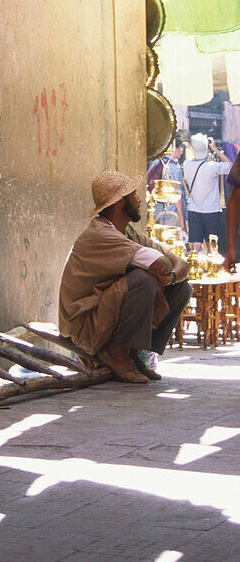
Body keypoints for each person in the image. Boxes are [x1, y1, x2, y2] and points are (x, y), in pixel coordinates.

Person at [59, 171, 191, 385]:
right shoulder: (102, 235)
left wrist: (171, 277)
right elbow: (161, 263)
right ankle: (117, 355)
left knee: (181, 288)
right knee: (143, 279)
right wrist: (163, 271)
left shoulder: (127, 232)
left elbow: (181, 263)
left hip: (105, 312)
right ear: (121, 202)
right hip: (85, 323)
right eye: (134, 195)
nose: (140, 200)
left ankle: (133, 354)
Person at [183, 134, 231, 253]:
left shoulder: (186, 165)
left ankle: (194, 269)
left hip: (194, 210)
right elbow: (231, 166)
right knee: (212, 247)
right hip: (212, 211)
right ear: (207, 149)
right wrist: (215, 149)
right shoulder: (212, 167)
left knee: (195, 246)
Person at [147, 135, 187, 230]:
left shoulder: (155, 163)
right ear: (175, 148)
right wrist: (181, 217)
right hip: (170, 213)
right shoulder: (174, 168)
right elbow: (177, 196)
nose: (181, 152)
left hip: (155, 212)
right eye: (181, 148)